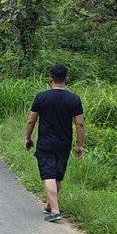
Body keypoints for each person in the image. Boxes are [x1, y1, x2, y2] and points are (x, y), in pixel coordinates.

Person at [24, 64, 85, 222]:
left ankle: (55, 211)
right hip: (64, 143)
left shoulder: (41, 97)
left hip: (46, 143)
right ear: (67, 79)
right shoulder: (74, 99)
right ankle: (50, 205)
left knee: (48, 176)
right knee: (57, 177)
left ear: (50, 79)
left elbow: (31, 120)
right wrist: (80, 145)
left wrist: (27, 138)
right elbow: (79, 124)